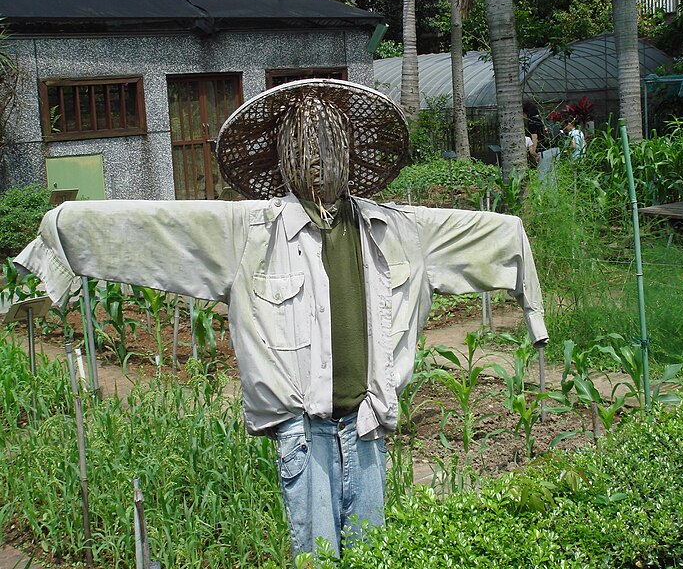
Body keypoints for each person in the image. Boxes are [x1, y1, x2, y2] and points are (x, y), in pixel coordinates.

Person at [14, 79, 548, 559]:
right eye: (303, 143)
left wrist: (534, 314)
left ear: (349, 151)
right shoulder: (249, 232)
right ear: (284, 157)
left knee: (371, 557)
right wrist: (61, 235)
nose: (316, 155)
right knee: (315, 558)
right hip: (302, 432)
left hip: (367, 426)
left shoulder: (401, 230)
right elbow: (154, 228)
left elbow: (501, 234)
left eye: (328, 141)